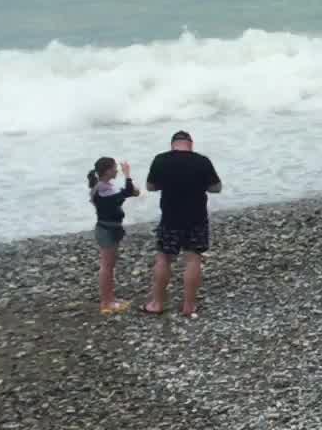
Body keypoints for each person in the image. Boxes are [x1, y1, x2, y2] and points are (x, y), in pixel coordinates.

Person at [145, 130, 222, 317]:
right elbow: (216, 188)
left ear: (172, 144)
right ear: (191, 143)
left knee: (163, 258)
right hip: (196, 217)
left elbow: (150, 186)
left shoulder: (161, 160)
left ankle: (157, 303)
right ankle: (189, 306)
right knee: (193, 258)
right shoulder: (202, 161)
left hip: (170, 217)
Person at [88, 156, 139, 315]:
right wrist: (128, 175)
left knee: (110, 266)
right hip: (106, 230)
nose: (117, 170)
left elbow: (124, 194)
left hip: (111, 228)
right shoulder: (102, 188)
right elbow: (124, 194)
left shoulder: (105, 186)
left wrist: (130, 192)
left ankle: (111, 299)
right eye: (114, 168)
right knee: (107, 267)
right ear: (108, 170)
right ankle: (107, 303)